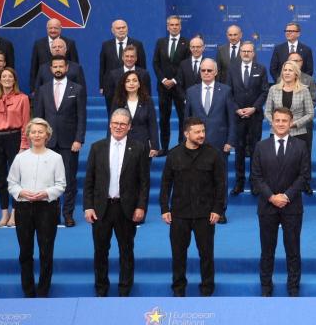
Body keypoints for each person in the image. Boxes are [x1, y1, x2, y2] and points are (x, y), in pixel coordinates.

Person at [83, 109, 150, 297]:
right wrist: (88, 206)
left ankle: (124, 289)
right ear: (110, 124)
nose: (118, 127)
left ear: (129, 127)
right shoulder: (97, 147)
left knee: (126, 250)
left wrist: (141, 206)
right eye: (115, 123)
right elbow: (89, 180)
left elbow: (144, 182)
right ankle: (101, 289)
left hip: (126, 208)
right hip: (101, 208)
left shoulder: (139, 148)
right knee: (100, 251)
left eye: (122, 124)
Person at [160, 118, 227, 297]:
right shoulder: (174, 154)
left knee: (206, 255)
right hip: (179, 214)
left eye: (203, 131)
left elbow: (221, 185)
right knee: (178, 255)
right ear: (186, 133)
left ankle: (207, 289)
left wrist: (217, 209)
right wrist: (164, 208)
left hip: (205, 214)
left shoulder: (213, 154)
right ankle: (178, 289)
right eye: (197, 132)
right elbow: (165, 183)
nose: (201, 135)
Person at [251, 107, 311, 297]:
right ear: (272, 122)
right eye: (277, 120)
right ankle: (266, 287)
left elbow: (304, 175)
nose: (281, 124)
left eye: (284, 120)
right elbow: (256, 176)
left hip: (292, 206)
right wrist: (271, 197)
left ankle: (293, 287)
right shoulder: (261, 146)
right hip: (267, 206)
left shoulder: (301, 146)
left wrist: (286, 196)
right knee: (267, 250)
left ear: (291, 122)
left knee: (293, 249)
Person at [6, 118, 65, 298]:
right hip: (24, 208)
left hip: (47, 208)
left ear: (47, 135)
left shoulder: (56, 158)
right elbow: (11, 183)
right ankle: (28, 289)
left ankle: (43, 289)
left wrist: (46, 193)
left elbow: (61, 184)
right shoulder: (20, 158)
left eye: (40, 132)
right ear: (28, 135)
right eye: (33, 132)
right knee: (25, 251)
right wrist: (21, 192)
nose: (37, 135)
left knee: (46, 250)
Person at [32, 55, 87, 227]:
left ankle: (68, 214)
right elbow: (39, 117)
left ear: (66, 68)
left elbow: (82, 116)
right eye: (55, 66)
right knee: (49, 181)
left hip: (69, 143)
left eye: (60, 66)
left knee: (69, 180)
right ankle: (53, 215)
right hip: (48, 143)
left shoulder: (77, 89)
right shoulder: (43, 89)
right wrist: (38, 140)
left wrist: (79, 139)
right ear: (50, 69)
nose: (58, 69)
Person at [183, 59, 234, 222]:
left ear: (216, 72)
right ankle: (201, 209)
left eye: (209, 70)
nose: (206, 73)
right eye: (203, 70)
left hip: (219, 142)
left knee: (220, 178)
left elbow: (232, 118)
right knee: (196, 177)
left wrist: (230, 141)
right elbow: (186, 119)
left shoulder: (225, 90)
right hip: (195, 143)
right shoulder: (191, 91)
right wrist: (185, 141)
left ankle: (220, 210)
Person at [0, 66, 30, 227]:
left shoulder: (23, 98)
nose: (7, 79)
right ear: (0, 80)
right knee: (0, 178)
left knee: (16, 177)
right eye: (4, 76)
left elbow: (26, 123)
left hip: (14, 138)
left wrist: (24, 145)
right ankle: (4, 212)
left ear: (15, 80)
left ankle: (15, 213)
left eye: (10, 76)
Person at [265, 60, 315, 195]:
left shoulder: (304, 90)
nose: (287, 73)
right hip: (276, 132)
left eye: (290, 70)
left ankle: (299, 188)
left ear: (296, 74)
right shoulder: (273, 89)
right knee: (277, 164)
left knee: (298, 165)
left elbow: (310, 113)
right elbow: (267, 111)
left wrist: (294, 124)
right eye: (285, 70)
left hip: (298, 132)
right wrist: (277, 124)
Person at [227, 41, 269, 196]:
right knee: (239, 150)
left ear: (253, 53)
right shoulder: (232, 69)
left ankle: (254, 182)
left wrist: (254, 108)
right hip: (237, 116)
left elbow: (265, 91)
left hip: (255, 116)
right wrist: (237, 109)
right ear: (240, 53)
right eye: (243, 51)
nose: (246, 53)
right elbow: (228, 92)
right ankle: (239, 182)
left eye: (249, 51)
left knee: (254, 150)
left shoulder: (261, 69)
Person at [153, 15, 189, 154]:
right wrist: (163, 80)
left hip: (180, 87)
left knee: (183, 118)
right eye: (171, 25)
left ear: (180, 26)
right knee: (164, 119)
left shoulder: (186, 43)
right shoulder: (160, 42)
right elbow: (155, 63)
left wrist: (174, 80)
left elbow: (186, 65)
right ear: (167, 27)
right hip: (163, 88)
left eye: (176, 25)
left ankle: (182, 146)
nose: (174, 27)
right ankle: (164, 147)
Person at [112, 71, 159, 156]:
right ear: (124, 84)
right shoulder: (118, 101)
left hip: (143, 144)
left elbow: (153, 124)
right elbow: (112, 123)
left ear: (139, 84)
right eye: (128, 81)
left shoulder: (148, 101)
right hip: (122, 143)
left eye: (134, 80)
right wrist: (110, 144)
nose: (131, 83)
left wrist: (155, 146)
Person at [29, 18, 79, 92]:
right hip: (44, 87)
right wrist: (33, 89)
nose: (53, 30)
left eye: (56, 28)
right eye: (50, 28)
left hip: (66, 87)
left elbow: (75, 67)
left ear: (60, 29)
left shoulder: (70, 43)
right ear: (47, 29)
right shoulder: (38, 44)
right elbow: (34, 68)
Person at [98, 19, 146, 95]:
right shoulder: (106, 45)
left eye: (123, 27)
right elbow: (103, 67)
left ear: (127, 29)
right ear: (112, 30)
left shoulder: (137, 44)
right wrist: (101, 86)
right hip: (111, 87)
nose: (121, 30)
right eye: (118, 28)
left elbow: (142, 67)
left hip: (132, 87)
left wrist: (142, 85)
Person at [103, 45, 152, 114]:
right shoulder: (113, 75)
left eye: (132, 56)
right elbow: (110, 98)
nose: (129, 59)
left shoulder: (144, 74)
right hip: (120, 114)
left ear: (136, 58)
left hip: (139, 115)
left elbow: (147, 95)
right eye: (127, 56)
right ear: (122, 58)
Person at [175, 36, 207, 115]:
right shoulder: (183, 64)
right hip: (186, 105)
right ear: (190, 48)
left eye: (198, 47)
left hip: (205, 105)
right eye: (193, 47)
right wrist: (186, 99)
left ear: (203, 48)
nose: (195, 49)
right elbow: (179, 85)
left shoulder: (209, 63)